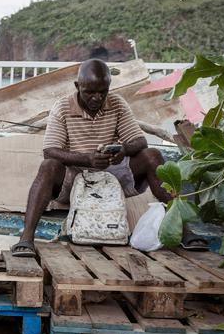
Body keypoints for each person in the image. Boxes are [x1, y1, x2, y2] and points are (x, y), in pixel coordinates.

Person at [11, 58, 204, 257]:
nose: (96, 98)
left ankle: (185, 230)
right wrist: (87, 159)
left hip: (112, 175)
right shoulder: (62, 107)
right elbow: (50, 150)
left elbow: (140, 142)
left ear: (109, 87)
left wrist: (123, 150)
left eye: (102, 92)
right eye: (89, 92)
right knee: (48, 165)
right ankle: (26, 238)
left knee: (152, 156)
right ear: (78, 86)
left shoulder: (117, 103)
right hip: (76, 177)